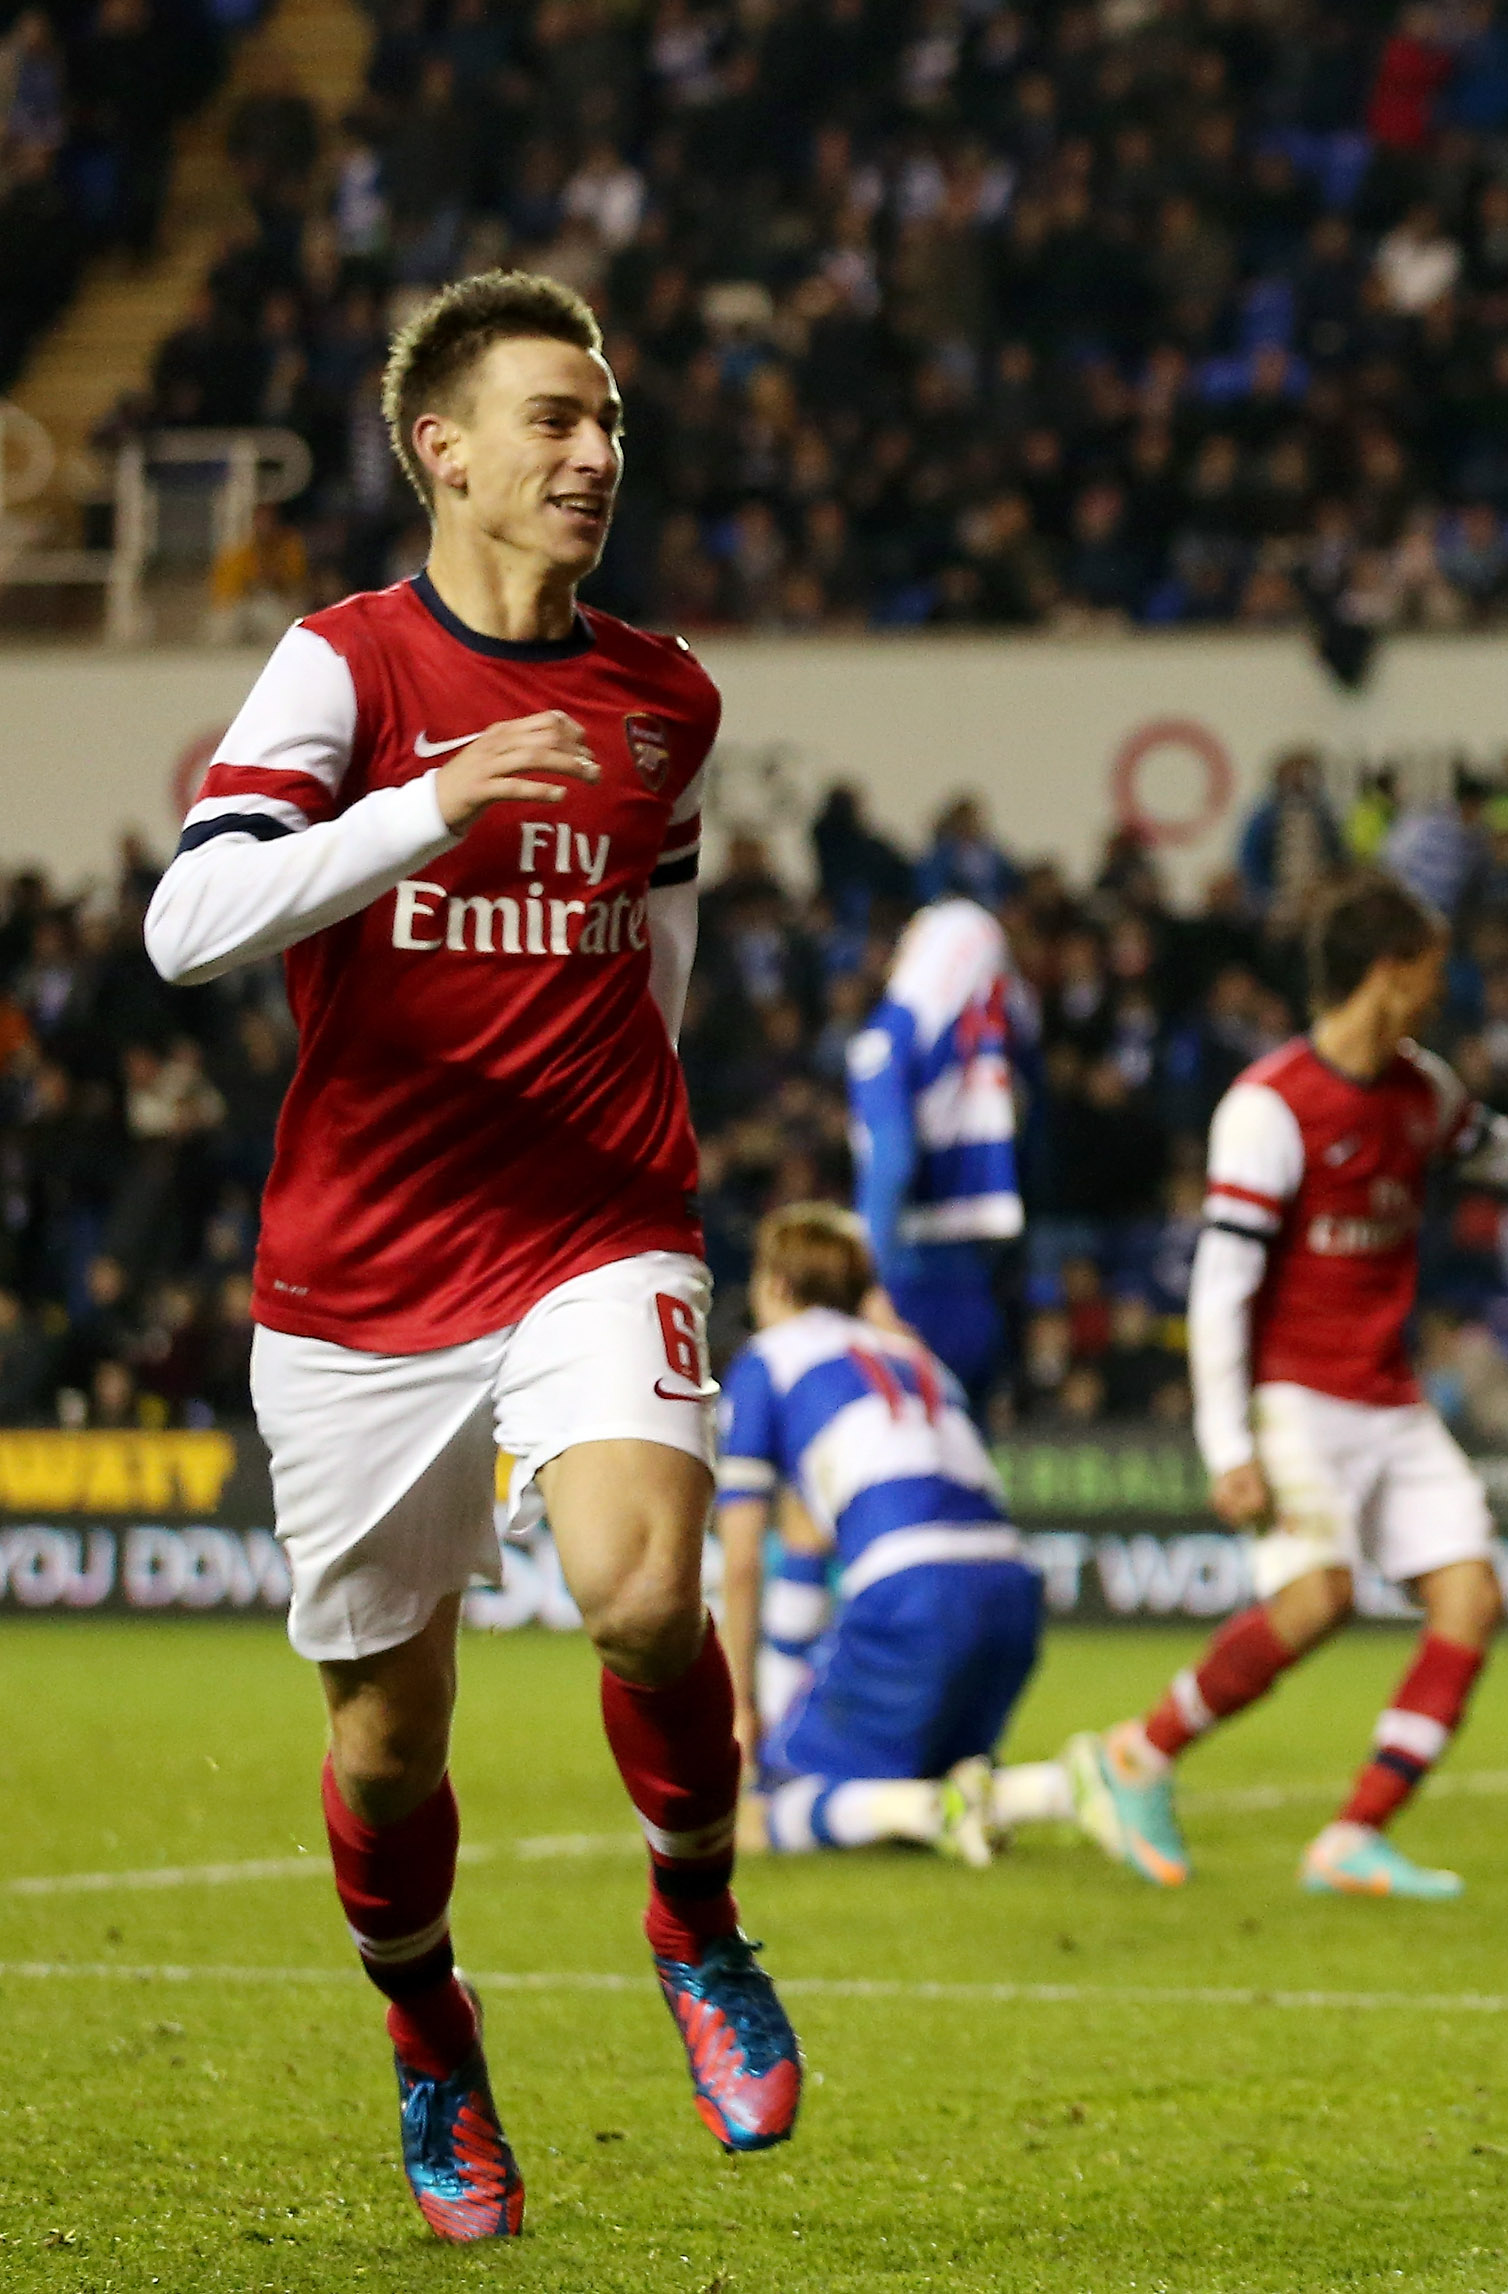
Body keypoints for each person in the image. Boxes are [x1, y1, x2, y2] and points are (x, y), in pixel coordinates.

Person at [138, 270, 796, 2242]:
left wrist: (646, 1139)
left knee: (641, 1587)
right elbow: (190, 922)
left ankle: (697, 1922)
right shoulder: (344, 667)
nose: (594, 454)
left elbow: (651, 949)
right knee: (385, 1735)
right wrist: (429, 803)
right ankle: (434, 2042)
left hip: (596, 1217)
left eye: (606, 422)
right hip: (360, 1274)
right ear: (441, 449)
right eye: (551, 420)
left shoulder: (662, 697)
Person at [1064, 872, 1508, 1898]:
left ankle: (1351, 1834)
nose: (1448, 988)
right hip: (1295, 1395)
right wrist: (1227, 1448)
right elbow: (1220, 1289)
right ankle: (1138, 1752)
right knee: (1316, 1599)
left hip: (1389, 1396)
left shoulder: (1421, 1088)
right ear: (1387, 972)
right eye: (1434, 969)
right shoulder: (1269, 1108)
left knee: (1470, 1594)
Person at [713, 1204, 1081, 1864]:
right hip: (1012, 1598)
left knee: (754, 1816)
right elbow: (804, 1536)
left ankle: (997, 1798)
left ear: (773, 1284)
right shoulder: (914, 1355)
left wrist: (739, 1708)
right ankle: (1038, 1790)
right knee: (903, 1776)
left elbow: (741, 1563)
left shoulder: (768, 1361)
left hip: (915, 1593)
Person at [847, 897, 1033, 1407]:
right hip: (976, 1285)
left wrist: (866, 1279)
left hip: (907, 1277)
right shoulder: (993, 1053)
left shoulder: (893, 1035)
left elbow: (892, 1160)